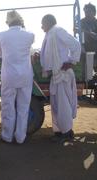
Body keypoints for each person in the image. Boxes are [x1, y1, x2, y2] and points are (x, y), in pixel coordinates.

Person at [40, 14, 81, 143]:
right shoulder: (50, 34)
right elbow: (47, 54)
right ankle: (59, 132)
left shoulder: (58, 31)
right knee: (56, 105)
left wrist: (72, 61)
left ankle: (67, 132)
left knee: (63, 105)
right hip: (56, 75)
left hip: (63, 74)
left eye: (43, 23)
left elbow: (75, 44)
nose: (41, 26)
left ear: (49, 22)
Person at [0, 10, 34, 144]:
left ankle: (7, 136)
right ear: (21, 21)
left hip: (9, 76)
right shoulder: (30, 35)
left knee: (8, 107)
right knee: (23, 107)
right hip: (25, 76)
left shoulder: (1, 36)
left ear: (7, 22)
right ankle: (20, 138)